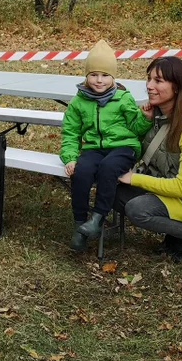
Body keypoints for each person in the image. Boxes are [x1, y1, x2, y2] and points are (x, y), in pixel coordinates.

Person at [113, 57, 182, 261]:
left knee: (137, 209)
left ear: (177, 87)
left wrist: (134, 179)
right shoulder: (157, 114)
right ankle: (176, 236)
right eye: (148, 79)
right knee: (113, 192)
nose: (149, 86)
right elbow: (141, 151)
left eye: (158, 81)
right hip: (169, 183)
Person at [61, 40, 152, 251]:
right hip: (94, 148)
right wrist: (70, 157)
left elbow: (136, 128)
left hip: (123, 148)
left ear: (113, 77)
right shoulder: (79, 101)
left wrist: (145, 118)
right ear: (86, 76)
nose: (99, 80)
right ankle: (79, 223)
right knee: (81, 171)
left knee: (108, 167)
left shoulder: (123, 98)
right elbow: (71, 132)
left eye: (105, 75)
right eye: (93, 74)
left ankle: (97, 219)